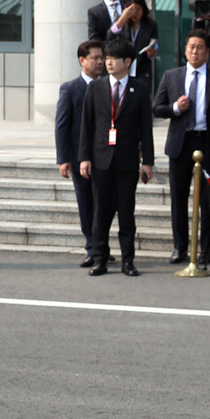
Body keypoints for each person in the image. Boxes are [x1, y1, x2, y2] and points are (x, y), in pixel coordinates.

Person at [79, 37, 155, 277]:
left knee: (126, 212)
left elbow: (146, 128)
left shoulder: (140, 88)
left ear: (127, 62)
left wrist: (148, 162)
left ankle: (128, 261)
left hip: (127, 160)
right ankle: (100, 258)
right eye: (106, 58)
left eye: (113, 59)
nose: (108, 62)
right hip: (101, 159)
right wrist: (84, 158)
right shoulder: (96, 87)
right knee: (100, 212)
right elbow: (87, 126)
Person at [153, 32, 210, 265]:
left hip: (208, 143)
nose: (195, 51)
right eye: (191, 47)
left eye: (200, 47)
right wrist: (175, 108)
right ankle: (180, 248)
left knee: (208, 200)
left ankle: (206, 249)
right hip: (181, 142)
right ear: (185, 50)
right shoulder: (171, 76)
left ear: (207, 52)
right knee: (178, 198)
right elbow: (157, 108)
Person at [55, 40, 105, 267]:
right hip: (78, 156)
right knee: (86, 203)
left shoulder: (108, 86)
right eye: (95, 58)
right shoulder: (70, 89)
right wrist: (63, 159)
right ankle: (92, 247)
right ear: (82, 60)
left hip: (104, 155)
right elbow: (62, 125)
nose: (100, 62)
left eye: (101, 57)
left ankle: (101, 245)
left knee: (103, 202)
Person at [110, 0, 160, 83]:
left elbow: (154, 44)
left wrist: (152, 51)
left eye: (138, 9)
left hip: (142, 70)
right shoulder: (121, 21)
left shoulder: (150, 24)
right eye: (132, 10)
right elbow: (110, 36)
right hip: (123, 68)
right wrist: (124, 18)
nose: (135, 13)